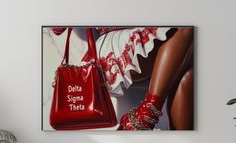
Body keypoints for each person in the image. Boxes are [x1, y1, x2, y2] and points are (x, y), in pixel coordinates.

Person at [52, 26, 194, 130]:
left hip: (151, 34)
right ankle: (145, 117)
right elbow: (57, 28)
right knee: (185, 30)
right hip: (115, 42)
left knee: (187, 64)